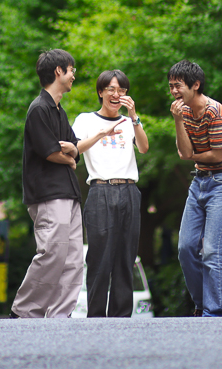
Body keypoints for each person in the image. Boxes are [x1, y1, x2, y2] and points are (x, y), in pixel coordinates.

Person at [11, 49, 84, 318]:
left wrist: (71, 153)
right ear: (58, 71)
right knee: (52, 253)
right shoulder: (39, 108)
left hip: (68, 192)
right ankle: (24, 311)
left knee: (74, 259)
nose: (74, 75)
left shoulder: (59, 110)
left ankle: (60, 316)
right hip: (48, 194)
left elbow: (74, 146)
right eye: (71, 70)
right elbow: (51, 152)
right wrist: (69, 158)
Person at [72, 69, 147, 317]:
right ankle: (96, 317)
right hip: (100, 190)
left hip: (129, 190)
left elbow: (144, 148)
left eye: (122, 90)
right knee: (99, 258)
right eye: (111, 89)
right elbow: (74, 149)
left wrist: (134, 117)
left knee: (126, 257)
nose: (117, 95)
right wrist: (102, 134)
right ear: (100, 92)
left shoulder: (129, 122)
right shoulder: (85, 120)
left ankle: (121, 318)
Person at [170, 60, 222, 317]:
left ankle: (214, 312)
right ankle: (201, 305)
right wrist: (178, 120)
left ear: (195, 85)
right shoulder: (184, 113)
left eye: (178, 86)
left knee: (212, 249)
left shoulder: (215, 111)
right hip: (198, 182)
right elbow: (184, 152)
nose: (174, 91)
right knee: (185, 248)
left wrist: (192, 155)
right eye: (171, 86)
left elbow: (217, 156)